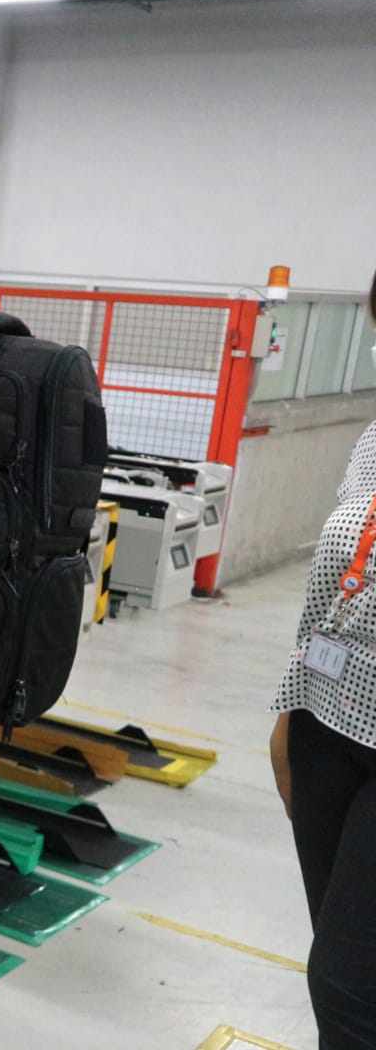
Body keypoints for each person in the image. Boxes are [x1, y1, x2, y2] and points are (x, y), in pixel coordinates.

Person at [269, 270, 376, 1050]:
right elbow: (341, 581)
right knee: (343, 971)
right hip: (330, 726)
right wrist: (293, 703)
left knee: (347, 986)